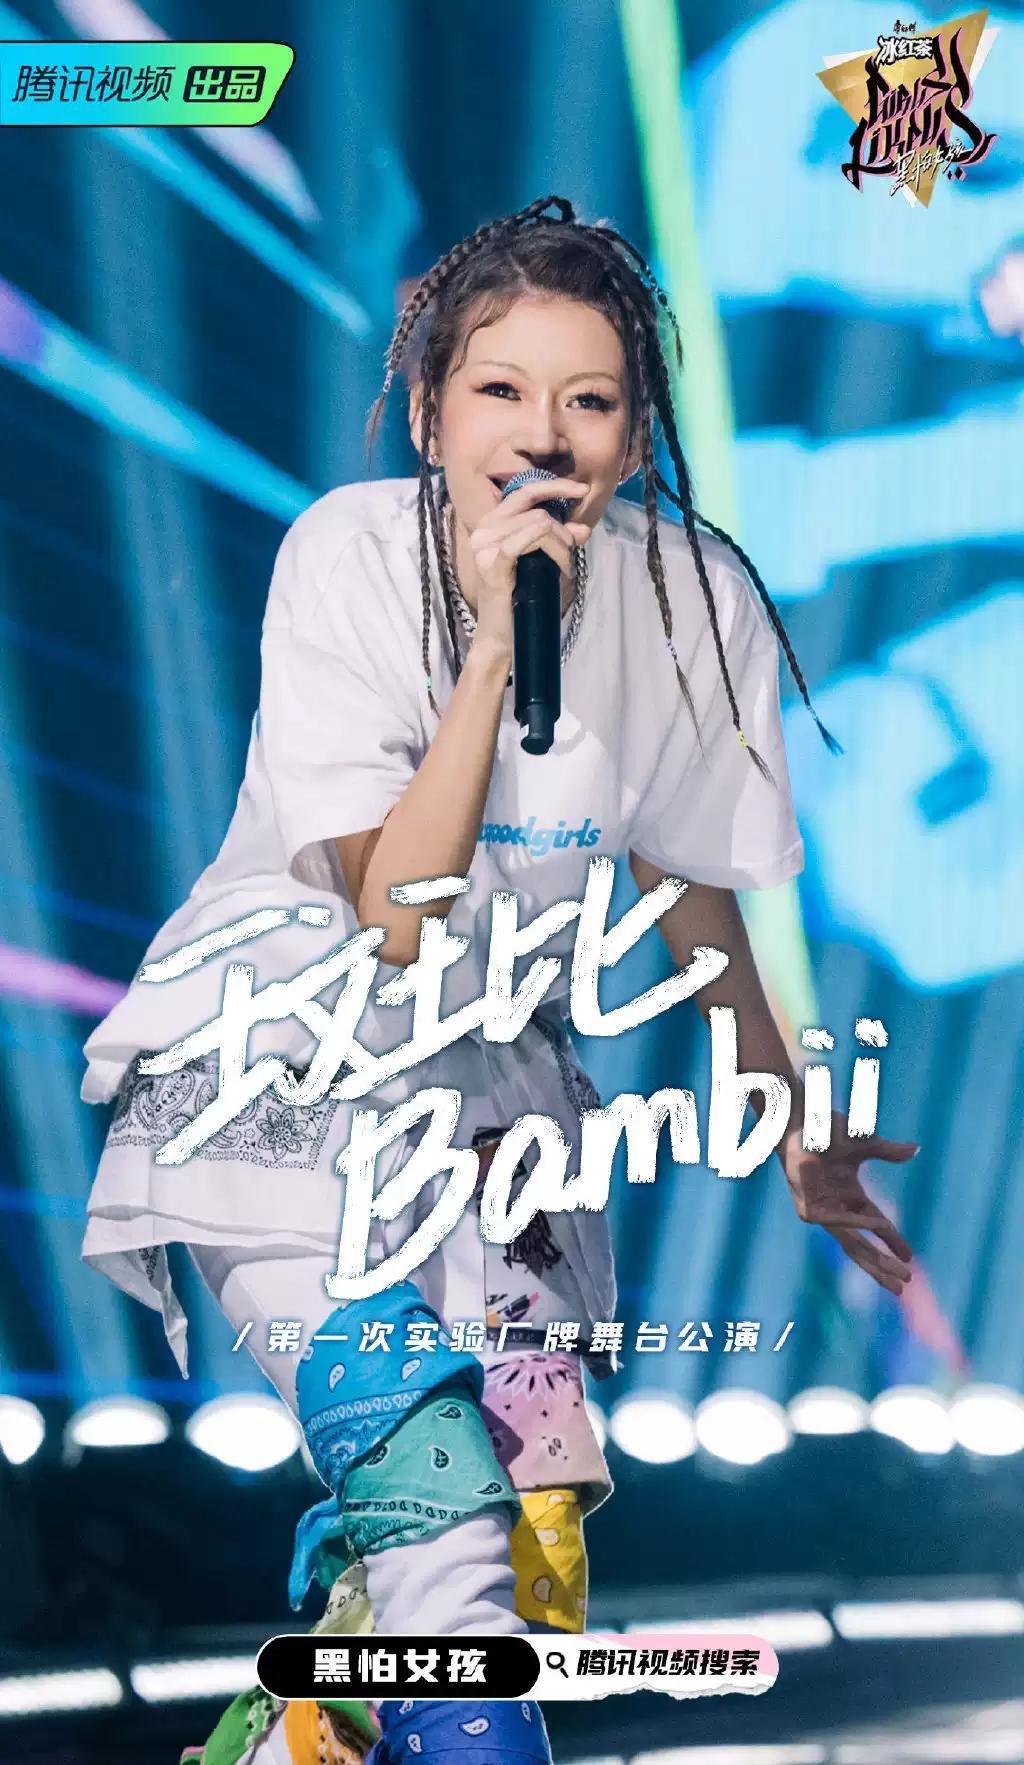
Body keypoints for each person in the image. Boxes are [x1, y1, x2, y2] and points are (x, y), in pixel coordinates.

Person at [80, 196, 917, 1765]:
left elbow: (685, 889)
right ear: (429, 412)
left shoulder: (688, 600)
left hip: (487, 1128)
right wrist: (487, 654)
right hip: (277, 1095)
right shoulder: (347, 555)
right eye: (501, 390)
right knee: (439, 1509)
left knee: (520, 1565)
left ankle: (293, 1736)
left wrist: (795, 1124)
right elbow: (394, 911)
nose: (544, 433)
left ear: (636, 433)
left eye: (589, 399)